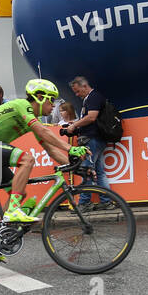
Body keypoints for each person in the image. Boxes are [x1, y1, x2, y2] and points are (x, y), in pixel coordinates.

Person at [0, 78, 83, 224]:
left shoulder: (32, 120)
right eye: (52, 100)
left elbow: (51, 151)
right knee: (27, 159)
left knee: (19, 194)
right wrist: (71, 148)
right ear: (40, 97)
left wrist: (78, 168)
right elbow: (42, 131)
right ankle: (12, 212)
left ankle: (0, 235)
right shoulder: (22, 105)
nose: (54, 105)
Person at [61, 76, 117, 206]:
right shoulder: (92, 98)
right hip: (97, 139)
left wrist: (75, 125)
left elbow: (91, 117)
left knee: (86, 171)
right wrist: (76, 123)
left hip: (92, 140)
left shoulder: (93, 97)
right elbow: (90, 118)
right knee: (99, 172)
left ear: (85, 86)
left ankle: (84, 203)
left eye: (78, 91)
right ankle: (106, 202)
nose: (76, 94)